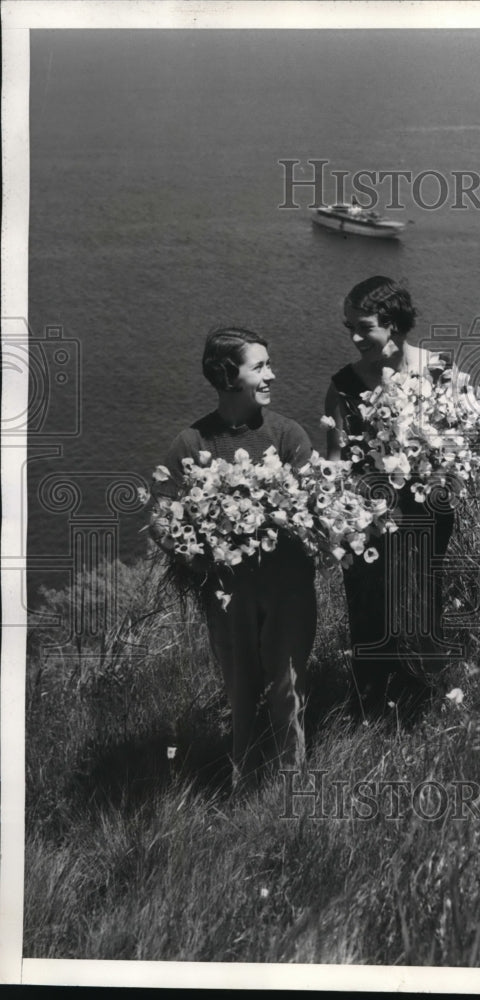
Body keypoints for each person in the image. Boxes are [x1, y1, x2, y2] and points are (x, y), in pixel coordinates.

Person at [152, 327, 317, 787]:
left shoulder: (288, 434)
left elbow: (315, 506)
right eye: (259, 367)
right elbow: (161, 519)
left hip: (289, 587)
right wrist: (196, 559)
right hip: (227, 594)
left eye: (269, 364)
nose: (272, 375)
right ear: (228, 376)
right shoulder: (193, 443)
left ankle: (290, 788)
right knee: (241, 693)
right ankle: (244, 784)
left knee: (287, 691)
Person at [324, 276, 455, 716]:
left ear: (394, 324)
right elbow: (336, 466)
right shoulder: (342, 386)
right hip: (367, 525)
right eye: (349, 328)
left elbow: (462, 448)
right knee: (368, 614)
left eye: (364, 327)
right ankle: (370, 706)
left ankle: (427, 704)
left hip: (427, 515)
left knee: (423, 606)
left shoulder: (441, 372)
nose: (355, 338)